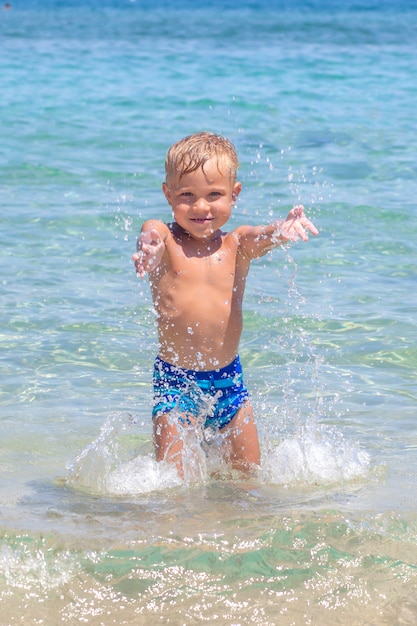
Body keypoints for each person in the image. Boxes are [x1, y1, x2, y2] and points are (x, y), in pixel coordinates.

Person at [132, 132, 319, 479]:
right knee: (173, 484)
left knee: (248, 478)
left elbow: (261, 235)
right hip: (175, 384)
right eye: (187, 196)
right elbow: (151, 231)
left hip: (229, 384)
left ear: (234, 194)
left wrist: (282, 228)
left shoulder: (236, 244)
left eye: (214, 195)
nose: (201, 207)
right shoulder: (167, 239)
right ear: (168, 194)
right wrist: (150, 246)